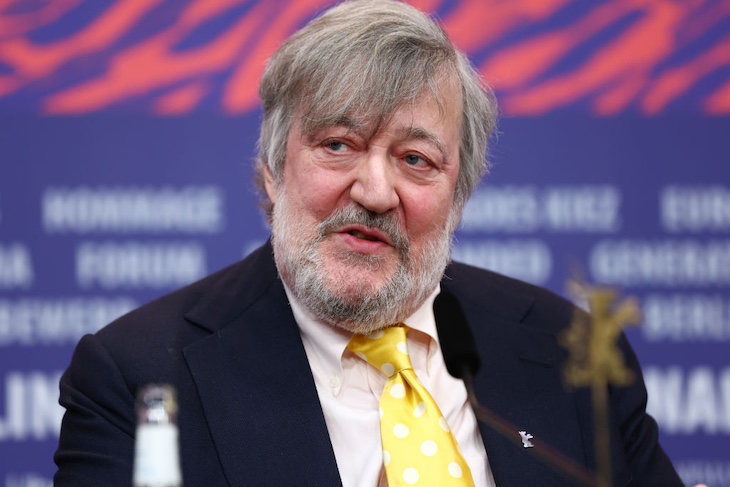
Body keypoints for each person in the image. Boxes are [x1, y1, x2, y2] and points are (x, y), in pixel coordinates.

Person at [54, 1, 684, 486]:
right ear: (273, 169)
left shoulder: (571, 351)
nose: (377, 191)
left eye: (415, 159)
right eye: (338, 145)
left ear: (458, 194)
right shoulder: (137, 374)